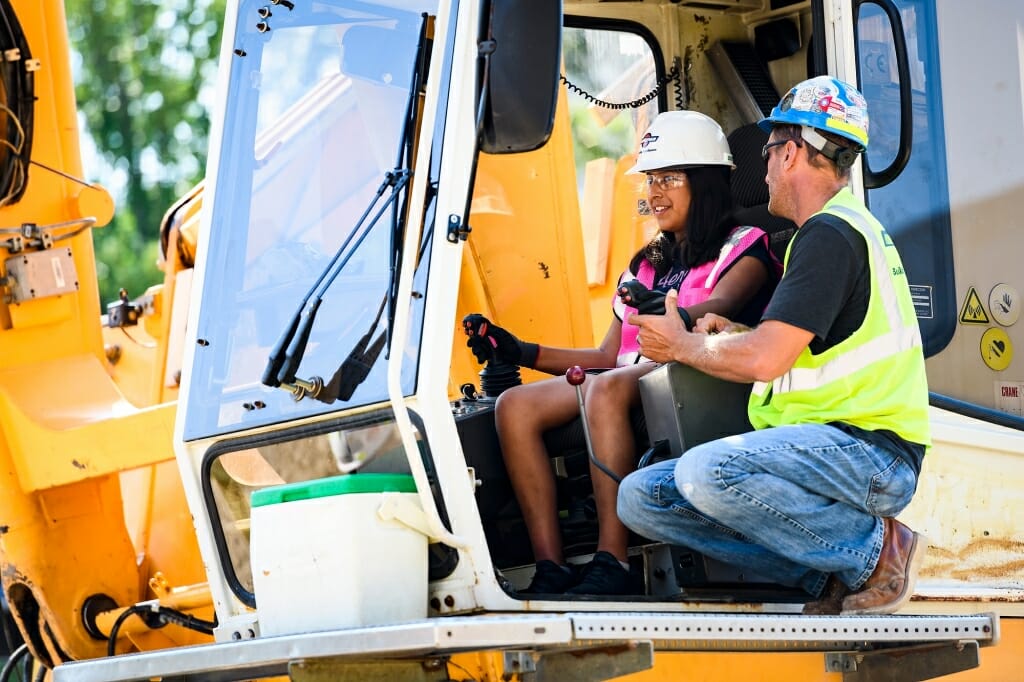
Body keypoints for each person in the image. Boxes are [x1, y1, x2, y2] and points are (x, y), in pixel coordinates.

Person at [617, 76, 931, 615]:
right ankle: (824, 574)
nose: (761, 171)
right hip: (825, 447)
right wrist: (735, 335)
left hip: (869, 454)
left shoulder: (829, 236)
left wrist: (679, 346)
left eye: (766, 154)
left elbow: (768, 360)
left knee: (706, 472)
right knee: (642, 498)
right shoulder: (831, 233)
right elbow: (798, 349)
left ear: (790, 154)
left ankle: (876, 554)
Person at [462, 111, 781, 596]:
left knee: (605, 390)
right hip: (632, 374)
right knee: (514, 405)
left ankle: (612, 561)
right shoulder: (646, 261)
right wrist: (517, 349)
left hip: (693, 371)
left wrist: (671, 310)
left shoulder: (746, 246)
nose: (653, 193)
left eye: (668, 179)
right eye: (650, 179)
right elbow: (608, 354)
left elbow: (721, 308)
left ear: (707, 181)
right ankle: (551, 567)